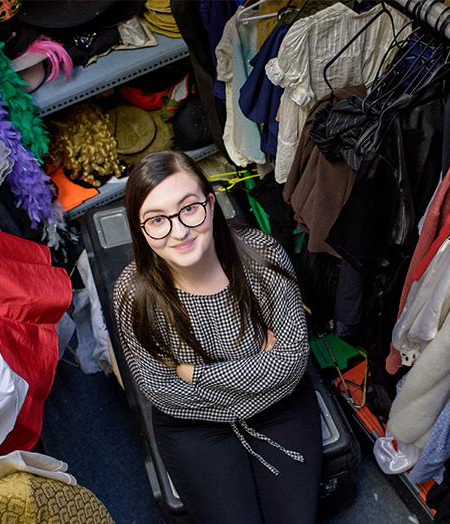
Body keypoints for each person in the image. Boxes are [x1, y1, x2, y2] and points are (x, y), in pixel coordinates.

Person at [112, 151, 323, 523]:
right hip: (193, 425)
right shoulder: (133, 293)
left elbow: (290, 363)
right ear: (140, 231)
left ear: (210, 205)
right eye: (157, 220)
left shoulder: (263, 256)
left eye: (189, 208)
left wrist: (192, 373)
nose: (178, 231)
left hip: (280, 407)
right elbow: (161, 390)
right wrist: (259, 367)